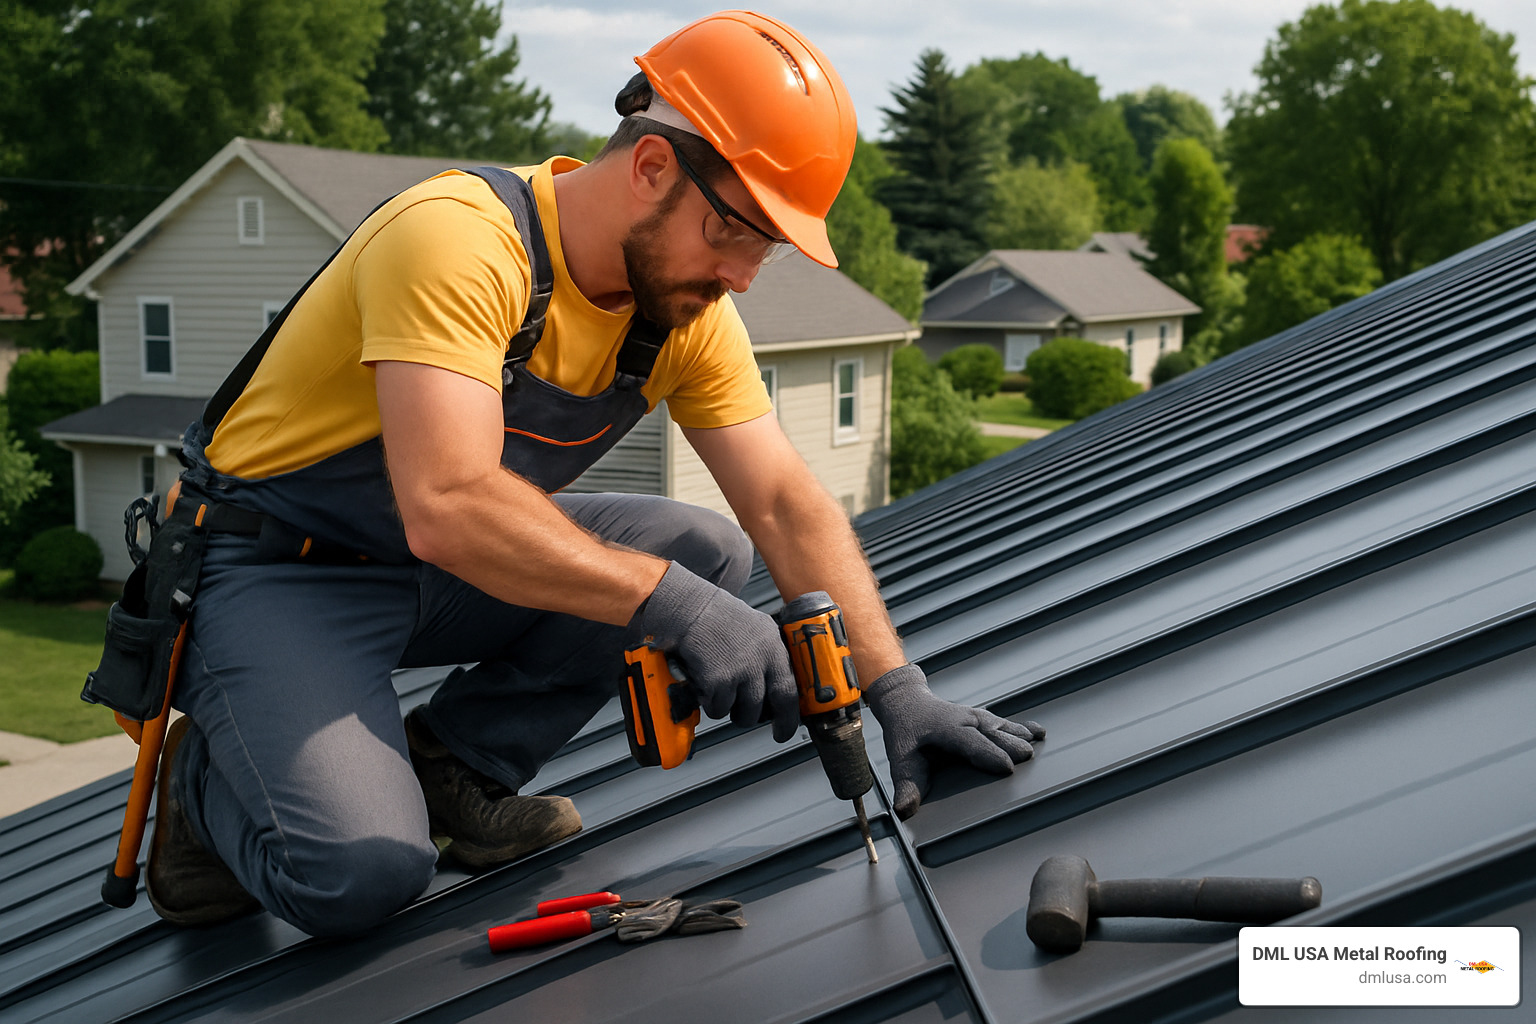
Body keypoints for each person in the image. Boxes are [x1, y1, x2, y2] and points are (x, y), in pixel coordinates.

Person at [145, 10, 1043, 937]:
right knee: (361, 879)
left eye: (766, 246)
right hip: (275, 568)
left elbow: (782, 499)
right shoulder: (459, 241)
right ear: (653, 166)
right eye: (733, 230)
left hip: (425, 569)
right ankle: (208, 786)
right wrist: (678, 609)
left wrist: (896, 687)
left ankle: (455, 766)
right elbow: (449, 503)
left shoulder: (683, 317)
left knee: (702, 547)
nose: (744, 273)